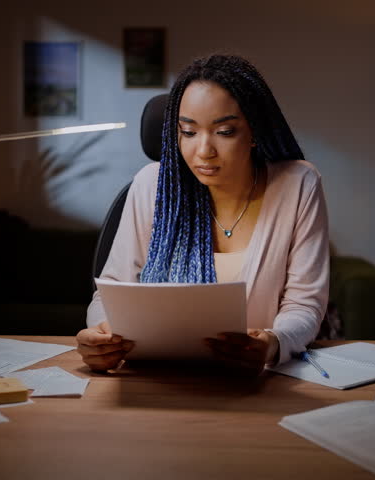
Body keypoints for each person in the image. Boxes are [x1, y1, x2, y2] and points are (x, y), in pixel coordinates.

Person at [77, 54, 330, 374]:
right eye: (188, 131)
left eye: (224, 131)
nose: (203, 150)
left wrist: (273, 343)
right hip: (156, 380)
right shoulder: (151, 185)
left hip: (258, 382)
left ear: (254, 132)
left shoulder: (298, 184)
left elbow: (304, 303)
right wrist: (102, 336)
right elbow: (111, 292)